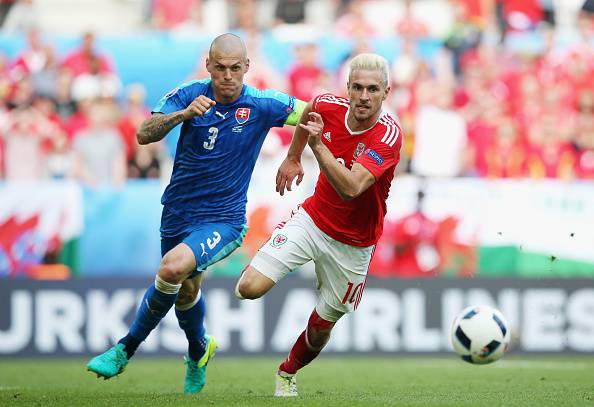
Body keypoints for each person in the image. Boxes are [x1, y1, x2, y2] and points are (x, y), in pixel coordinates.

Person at [86, 33, 305, 394]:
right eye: (220, 68)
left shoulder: (263, 104)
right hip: (177, 213)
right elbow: (144, 133)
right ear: (209, 66)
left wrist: (294, 156)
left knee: (171, 267)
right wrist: (183, 115)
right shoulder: (188, 95)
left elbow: (313, 113)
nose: (228, 76)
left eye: (236, 68)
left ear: (247, 68)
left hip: (224, 219)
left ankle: (124, 349)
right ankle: (199, 350)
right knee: (185, 292)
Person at [235, 53, 403, 397]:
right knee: (247, 288)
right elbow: (310, 110)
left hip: (355, 245)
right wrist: (293, 157)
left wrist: (314, 147)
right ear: (348, 89)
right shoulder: (328, 104)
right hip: (313, 220)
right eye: (357, 87)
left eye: (373, 89)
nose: (364, 96)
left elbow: (352, 187)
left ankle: (287, 372)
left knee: (320, 329)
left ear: (386, 92)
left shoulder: (388, 136)